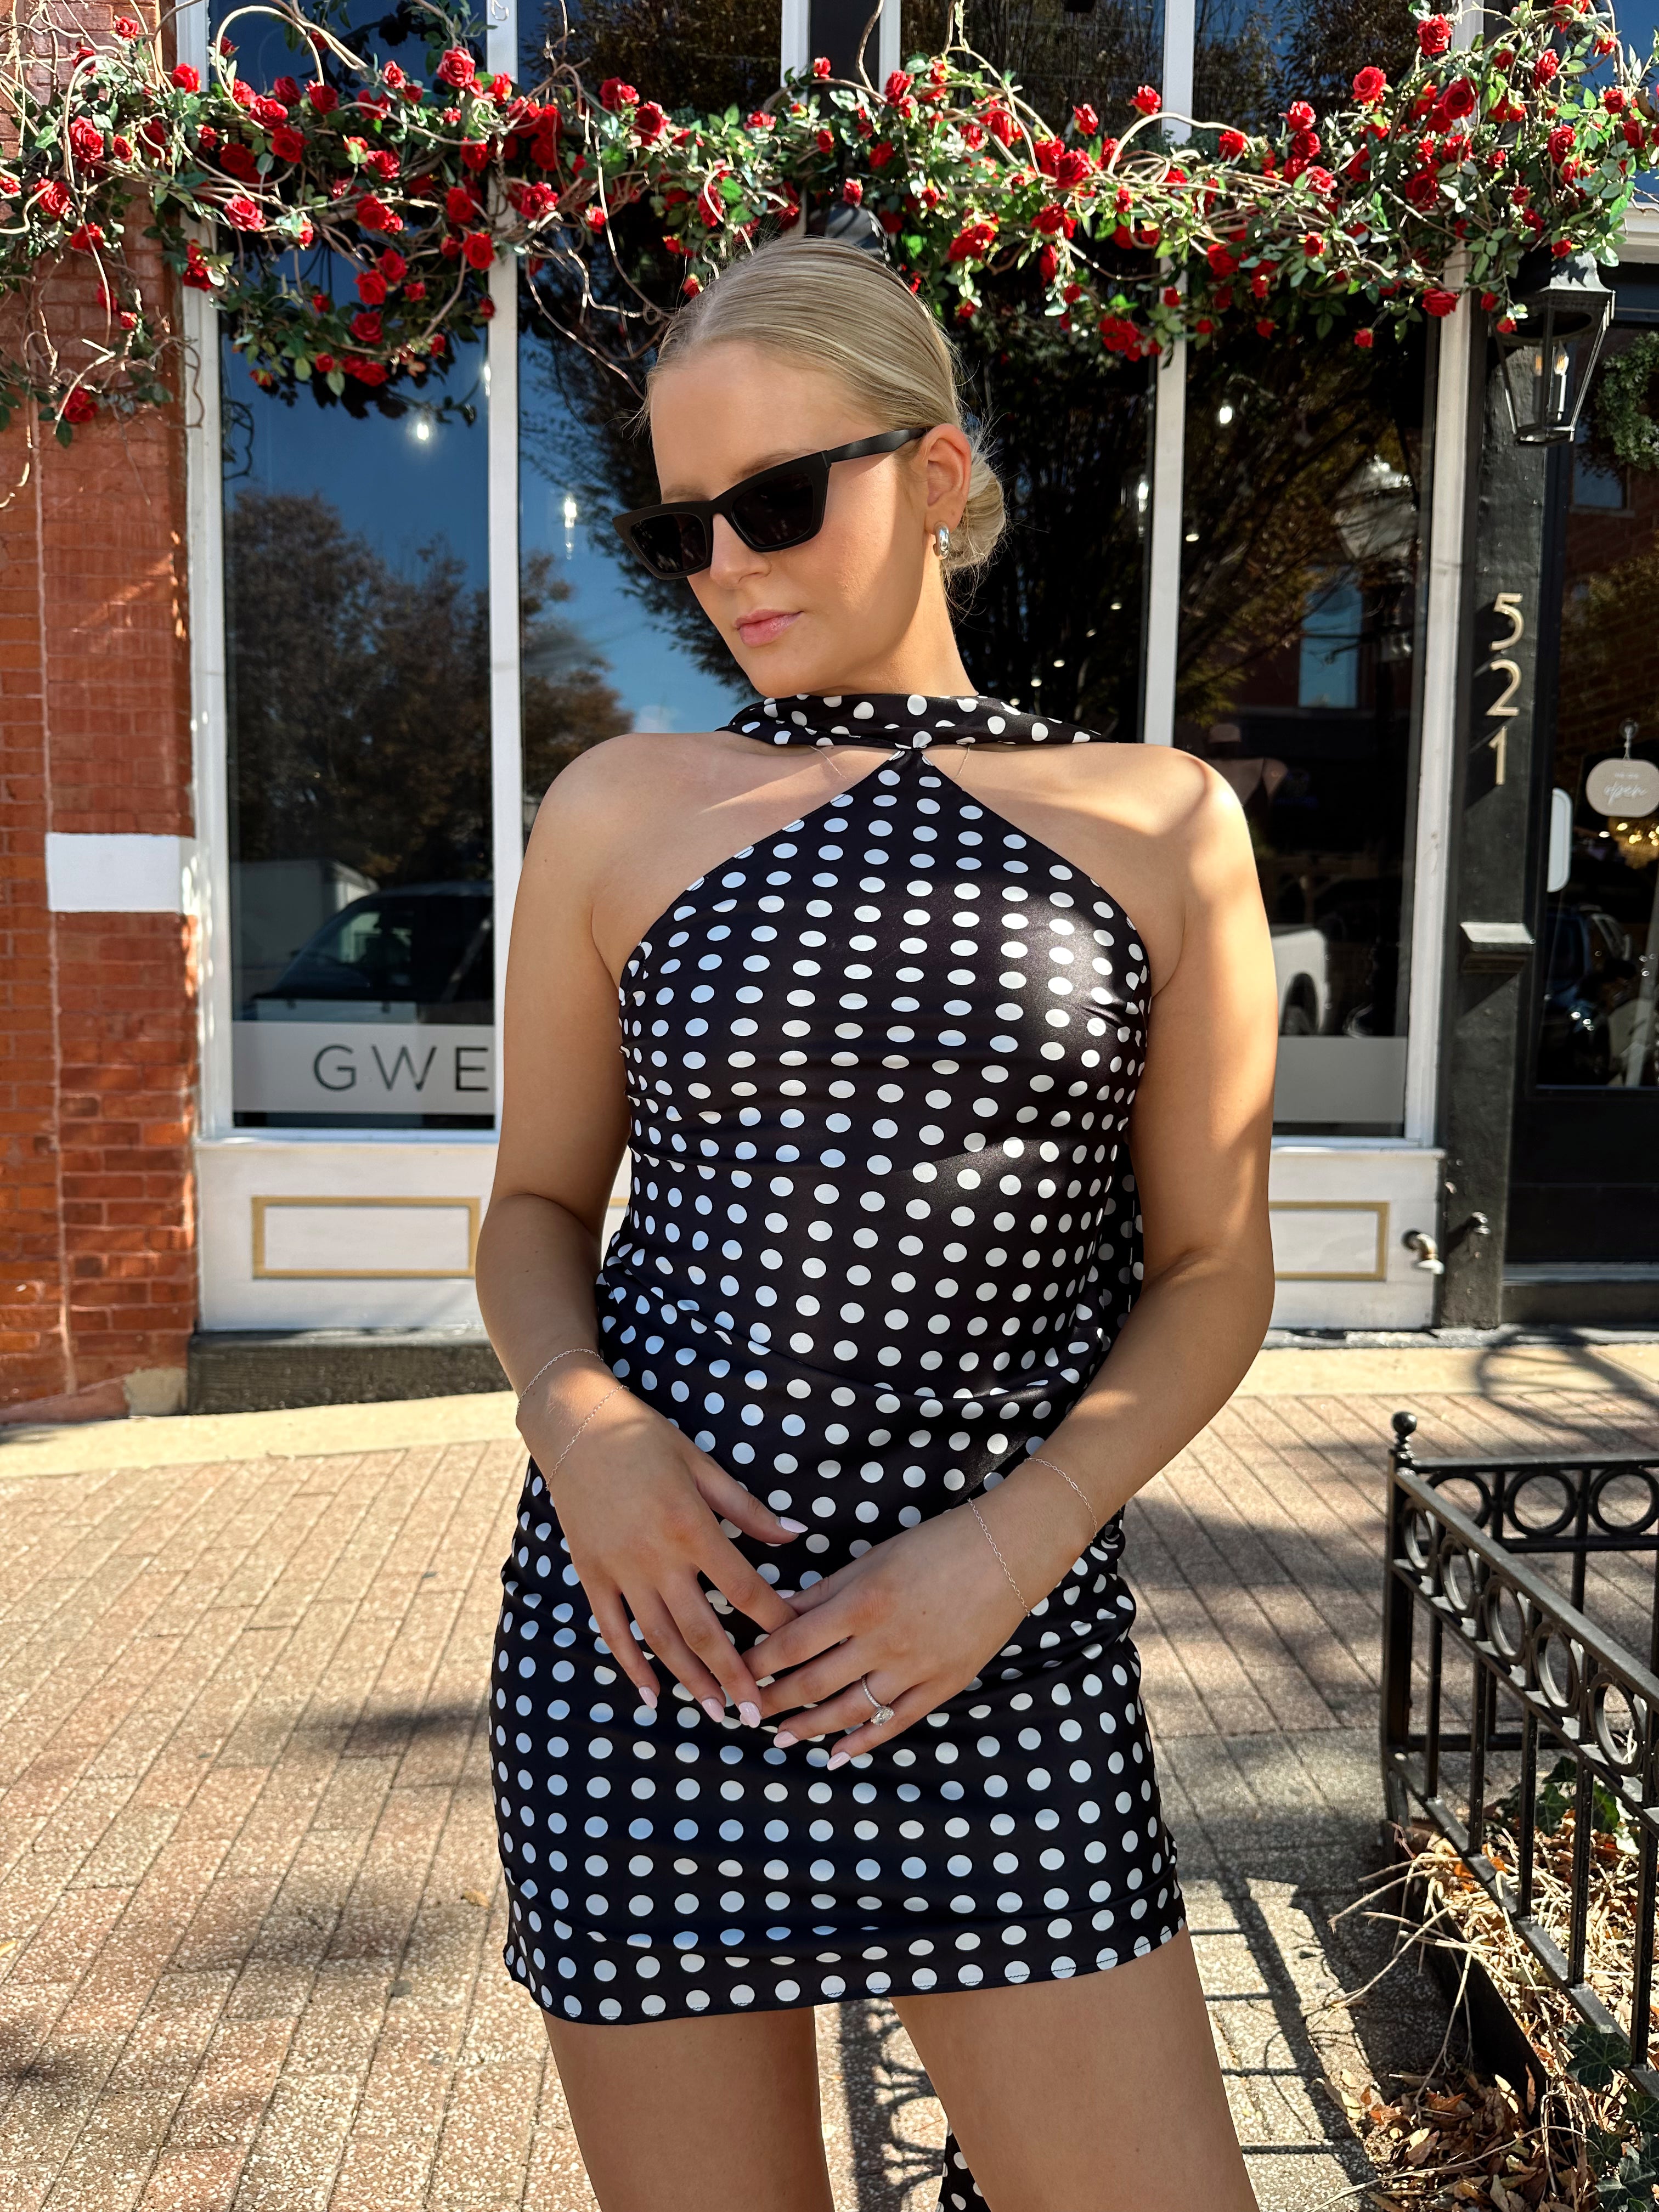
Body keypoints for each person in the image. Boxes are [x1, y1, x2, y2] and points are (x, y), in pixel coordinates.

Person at [477, 235, 1277, 2212]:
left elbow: (1213, 1271)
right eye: (684, 526)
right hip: (658, 1643)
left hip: (1000, 1637)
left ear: (931, 474)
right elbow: (537, 1207)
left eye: (778, 498)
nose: (730, 567)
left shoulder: (1162, 816)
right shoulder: (616, 806)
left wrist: (1016, 1545)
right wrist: (585, 1434)